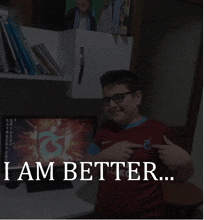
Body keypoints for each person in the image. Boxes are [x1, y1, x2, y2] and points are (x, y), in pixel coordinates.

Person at [82, 70, 194, 218]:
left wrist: (186, 163)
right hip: (106, 212)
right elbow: (86, 171)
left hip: (148, 215)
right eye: (107, 99)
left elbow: (181, 178)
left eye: (119, 97)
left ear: (138, 97)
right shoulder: (104, 129)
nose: (111, 105)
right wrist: (103, 156)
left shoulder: (160, 131)